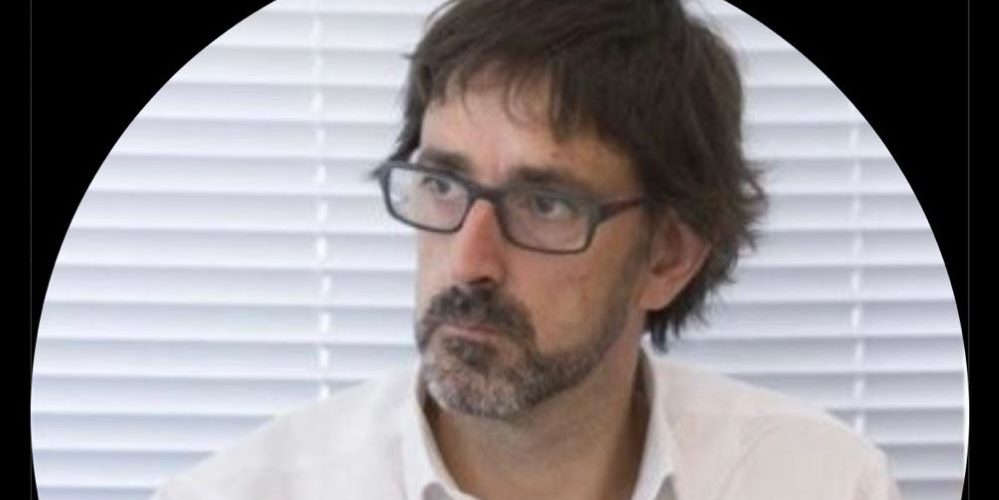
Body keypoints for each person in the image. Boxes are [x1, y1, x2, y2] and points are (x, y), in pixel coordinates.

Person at [151, 0, 902, 499]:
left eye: (545, 204)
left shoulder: (821, 483)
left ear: (666, 258)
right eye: (442, 185)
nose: (468, 262)